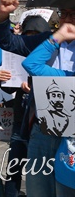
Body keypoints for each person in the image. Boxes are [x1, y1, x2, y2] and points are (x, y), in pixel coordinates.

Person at [0, 0, 75, 197]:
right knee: (38, 187)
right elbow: (8, 42)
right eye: (64, 14)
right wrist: (3, 15)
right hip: (43, 126)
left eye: (73, 14)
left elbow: (33, 66)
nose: (67, 20)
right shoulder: (45, 40)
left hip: (72, 131)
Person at [19, 21, 75, 195]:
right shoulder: (67, 76)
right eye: (63, 13)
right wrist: (58, 36)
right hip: (50, 133)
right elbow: (31, 64)